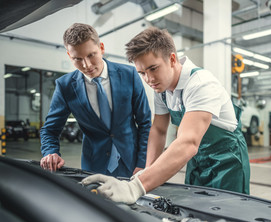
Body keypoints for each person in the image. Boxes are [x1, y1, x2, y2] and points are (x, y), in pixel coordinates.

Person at [82, 27, 250, 204]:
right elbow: (159, 129)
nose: (149, 79)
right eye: (142, 73)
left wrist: (136, 187)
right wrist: (147, 172)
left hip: (227, 160)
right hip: (198, 159)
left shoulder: (201, 84)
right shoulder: (162, 89)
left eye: (153, 68)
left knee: (227, 212)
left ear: (171, 59)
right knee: (198, 209)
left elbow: (188, 142)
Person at [40, 23, 151, 178]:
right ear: (69, 56)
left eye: (91, 55)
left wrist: (143, 162)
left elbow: (145, 123)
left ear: (102, 48)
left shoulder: (129, 75)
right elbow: (50, 130)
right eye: (77, 59)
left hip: (132, 164)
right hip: (94, 167)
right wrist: (51, 152)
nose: (87, 65)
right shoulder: (65, 86)